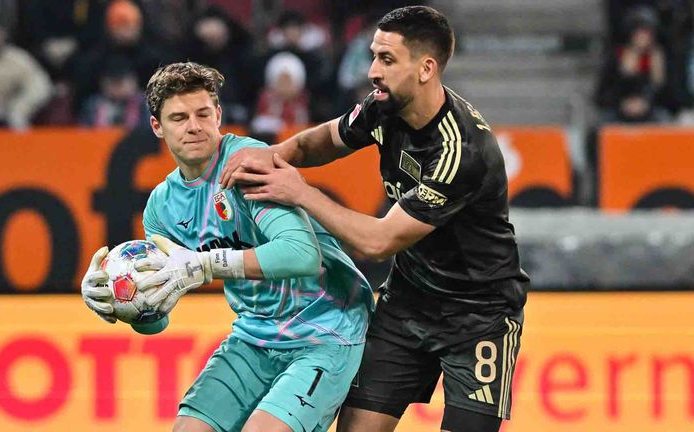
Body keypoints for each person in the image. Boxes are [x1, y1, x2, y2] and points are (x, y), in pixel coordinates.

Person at [221, 6, 528, 432]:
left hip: (479, 317)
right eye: (373, 56)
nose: (372, 71)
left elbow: (379, 241)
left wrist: (301, 192)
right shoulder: (384, 107)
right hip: (407, 304)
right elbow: (324, 140)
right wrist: (274, 155)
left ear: (425, 69)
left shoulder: (460, 153)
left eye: (386, 59)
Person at [80, 62, 374, 432]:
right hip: (253, 338)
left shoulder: (248, 163)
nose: (194, 126)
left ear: (219, 114)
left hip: (325, 330)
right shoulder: (162, 206)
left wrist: (206, 264)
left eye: (204, 113)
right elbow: (157, 321)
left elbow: (302, 254)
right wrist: (122, 301)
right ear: (157, 126)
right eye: (179, 117)